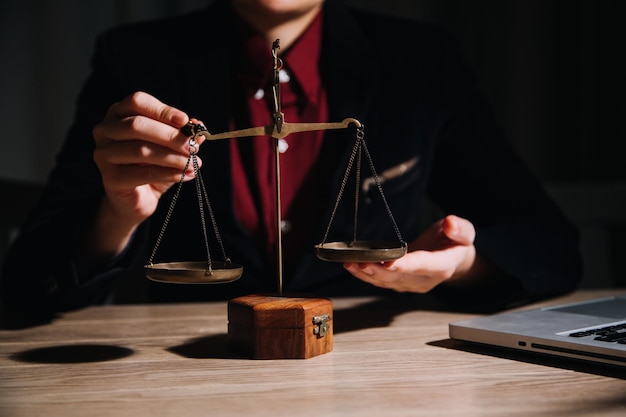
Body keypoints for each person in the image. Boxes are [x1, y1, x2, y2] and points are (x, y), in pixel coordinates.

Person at [0, 0, 582, 314]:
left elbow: (549, 243)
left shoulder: (420, 61)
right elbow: (27, 285)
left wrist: (462, 264)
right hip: (196, 375)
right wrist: (117, 214)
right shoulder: (138, 59)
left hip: (374, 374)